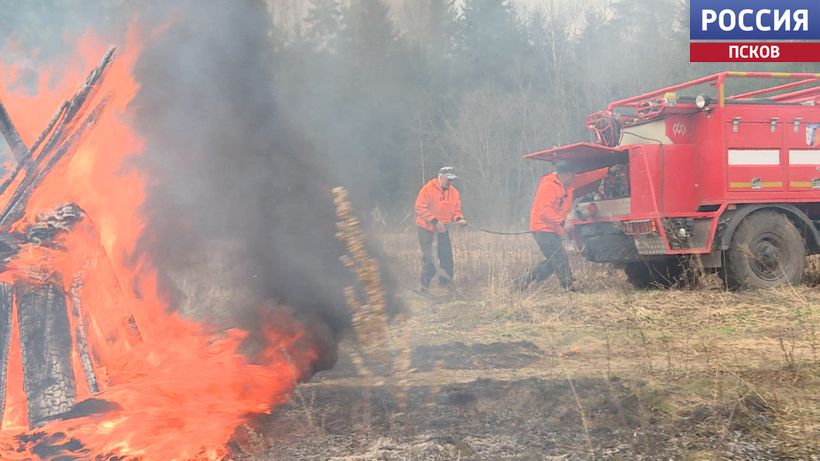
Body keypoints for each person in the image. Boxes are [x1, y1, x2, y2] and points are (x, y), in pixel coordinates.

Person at [519, 161, 619, 291]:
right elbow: (544, 212)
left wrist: (608, 170)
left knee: (552, 262)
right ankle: (569, 287)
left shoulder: (569, 182)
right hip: (542, 228)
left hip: (553, 228)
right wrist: (562, 222)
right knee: (559, 257)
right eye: (572, 174)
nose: (574, 177)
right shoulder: (548, 187)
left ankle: (521, 282)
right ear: (564, 175)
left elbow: (586, 177)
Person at [415, 166, 467, 291]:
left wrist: (459, 219)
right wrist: (435, 221)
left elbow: (456, 211)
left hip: (442, 230)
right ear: (440, 177)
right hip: (426, 229)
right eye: (448, 179)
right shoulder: (427, 189)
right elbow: (419, 207)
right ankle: (424, 288)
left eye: (452, 180)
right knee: (430, 261)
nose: (450, 182)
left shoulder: (454, 193)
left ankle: (446, 288)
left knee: (447, 259)